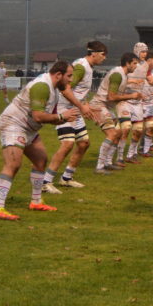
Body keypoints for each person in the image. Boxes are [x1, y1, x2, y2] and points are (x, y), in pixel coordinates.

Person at [0, 61, 79, 221]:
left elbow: (49, 117)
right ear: (59, 75)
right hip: (13, 124)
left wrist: (63, 118)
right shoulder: (42, 86)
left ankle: (36, 202)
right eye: (69, 76)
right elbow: (38, 116)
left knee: (40, 160)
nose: (71, 80)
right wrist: (61, 116)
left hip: (29, 128)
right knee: (13, 164)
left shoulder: (54, 89)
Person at [42, 41, 106, 193]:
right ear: (94, 54)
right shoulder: (81, 67)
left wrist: (86, 105)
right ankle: (45, 182)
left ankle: (66, 178)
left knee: (83, 143)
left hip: (74, 108)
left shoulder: (87, 67)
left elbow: (78, 91)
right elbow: (65, 88)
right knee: (68, 144)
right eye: (103, 54)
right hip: (64, 108)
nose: (104, 58)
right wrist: (82, 106)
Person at [89, 52, 142, 174]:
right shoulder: (118, 75)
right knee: (112, 134)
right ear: (127, 63)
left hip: (106, 107)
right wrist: (132, 96)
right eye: (134, 63)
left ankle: (108, 162)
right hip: (98, 106)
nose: (136, 66)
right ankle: (99, 167)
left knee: (118, 133)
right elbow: (111, 97)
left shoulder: (123, 75)